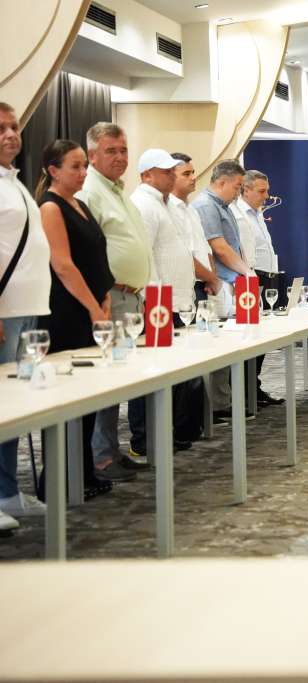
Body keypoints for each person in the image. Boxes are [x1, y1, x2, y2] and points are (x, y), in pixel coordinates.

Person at [35, 139, 116, 500]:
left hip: (91, 307)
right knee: (66, 397)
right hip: (67, 313)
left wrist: (105, 294)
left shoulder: (79, 204)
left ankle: (82, 470)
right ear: (54, 171)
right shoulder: (51, 207)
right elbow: (63, 265)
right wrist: (93, 308)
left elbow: (96, 256)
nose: (83, 172)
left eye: (85, 165)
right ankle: (56, 477)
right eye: (75, 166)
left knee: (87, 395)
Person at [76, 122, 152, 483]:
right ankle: (101, 455)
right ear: (92, 155)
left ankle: (109, 448)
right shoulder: (90, 192)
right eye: (111, 151)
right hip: (111, 297)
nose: (120, 157)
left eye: (123, 150)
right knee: (107, 379)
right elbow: (86, 249)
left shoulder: (119, 191)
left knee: (120, 380)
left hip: (131, 296)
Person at [130, 148, 203, 453]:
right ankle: (145, 438)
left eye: (174, 170)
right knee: (151, 373)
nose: (172, 176)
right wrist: (154, 302)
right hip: (159, 303)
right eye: (166, 171)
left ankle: (165, 432)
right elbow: (144, 255)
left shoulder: (166, 204)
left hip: (176, 300)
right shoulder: (144, 204)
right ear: (147, 175)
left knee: (172, 373)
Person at [0, 102, 51, 529]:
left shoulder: (12, 181)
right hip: (6, 310)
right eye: (0, 128)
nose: (10, 134)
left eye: (14, 127)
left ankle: (8, 492)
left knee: (16, 406)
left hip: (29, 308)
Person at [191, 159, 251, 420]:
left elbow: (232, 246)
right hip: (218, 284)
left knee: (227, 345)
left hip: (229, 281)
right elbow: (219, 247)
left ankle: (222, 401)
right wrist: (248, 273)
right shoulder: (206, 206)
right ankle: (217, 406)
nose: (239, 192)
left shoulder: (222, 206)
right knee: (218, 345)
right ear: (222, 182)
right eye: (237, 186)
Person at [231, 170, 282, 406]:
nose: (266, 196)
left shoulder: (257, 213)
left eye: (267, 190)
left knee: (261, 337)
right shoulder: (237, 214)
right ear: (246, 189)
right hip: (250, 278)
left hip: (265, 277)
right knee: (249, 338)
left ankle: (254, 386)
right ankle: (244, 391)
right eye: (262, 191)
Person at [167, 153, 220, 304]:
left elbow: (205, 248)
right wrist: (212, 278)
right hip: (179, 289)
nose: (193, 178)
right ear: (170, 177)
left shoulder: (192, 210)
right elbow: (183, 254)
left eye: (193, 172)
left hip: (202, 286)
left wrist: (212, 277)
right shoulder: (168, 209)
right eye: (186, 174)